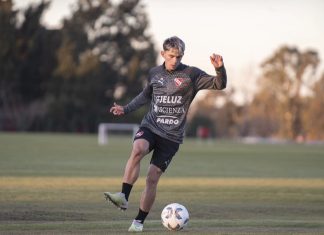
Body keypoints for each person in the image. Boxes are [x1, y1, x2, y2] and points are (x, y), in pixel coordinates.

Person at [104, 36, 227, 232]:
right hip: (151, 126)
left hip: (172, 137)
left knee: (152, 178)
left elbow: (219, 85)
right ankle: (123, 196)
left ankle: (138, 222)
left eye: (179, 57)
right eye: (171, 56)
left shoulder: (191, 74)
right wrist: (125, 109)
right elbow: (145, 95)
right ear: (163, 54)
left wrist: (219, 69)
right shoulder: (154, 73)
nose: (175, 60)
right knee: (138, 148)